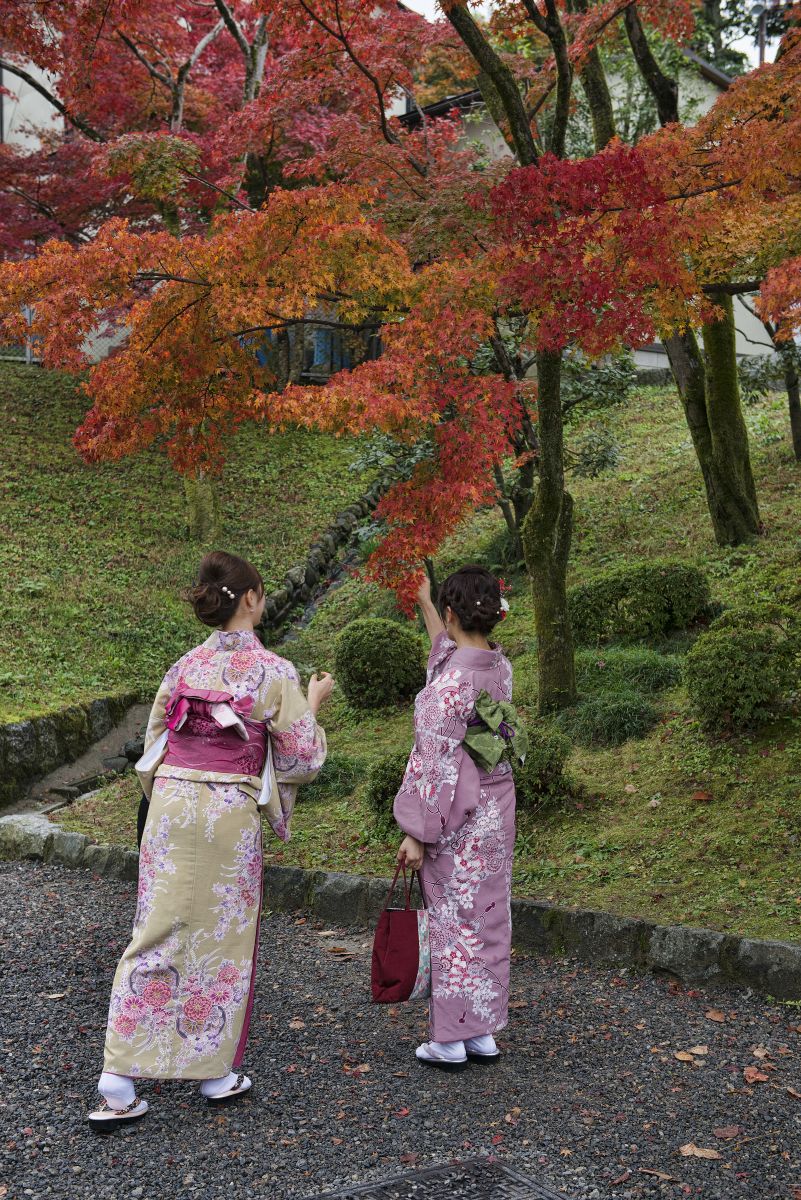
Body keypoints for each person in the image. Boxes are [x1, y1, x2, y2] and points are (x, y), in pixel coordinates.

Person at [88, 551, 332, 1127]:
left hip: (172, 801)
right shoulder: (273, 670)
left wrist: (174, 787)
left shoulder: (184, 667)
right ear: (251, 597)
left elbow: (155, 741)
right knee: (222, 936)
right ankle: (215, 1072)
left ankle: (118, 1079)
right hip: (227, 811)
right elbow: (303, 756)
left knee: (157, 928)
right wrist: (313, 706)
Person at [393, 566, 519, 1072]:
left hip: (456, 814)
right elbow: (447, 653)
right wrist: (426, 600)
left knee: (451, 921)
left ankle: (449, 1039)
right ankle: (481, 1030)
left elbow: (433, 763)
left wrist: (417, 834)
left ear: (452, 613)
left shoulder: (450, 688)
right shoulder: (497, 667)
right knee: (487, 916)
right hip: (496, 807)